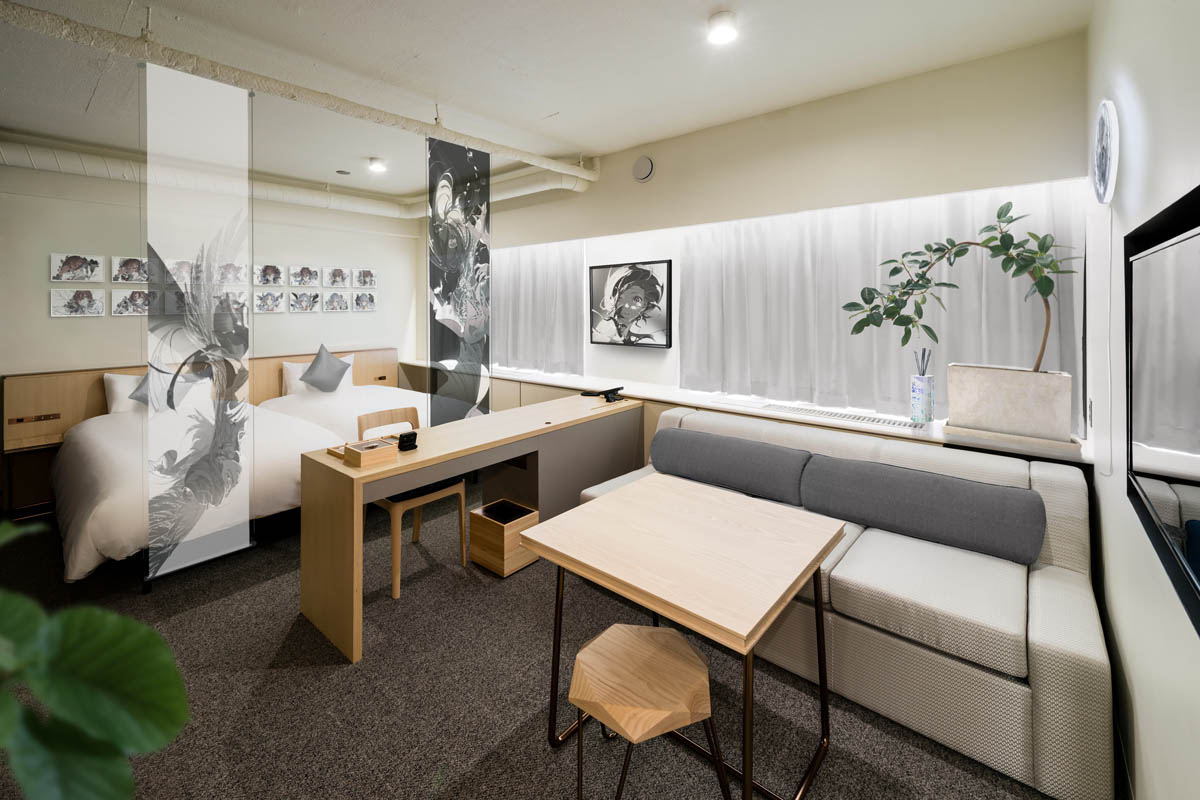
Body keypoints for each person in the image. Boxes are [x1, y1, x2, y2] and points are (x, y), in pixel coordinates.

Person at [592, 265, 666, 345]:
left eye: (636, 299)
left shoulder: (651, 339)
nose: (626, 305)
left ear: (644, 305)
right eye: (620, 298)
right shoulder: (603, 331)